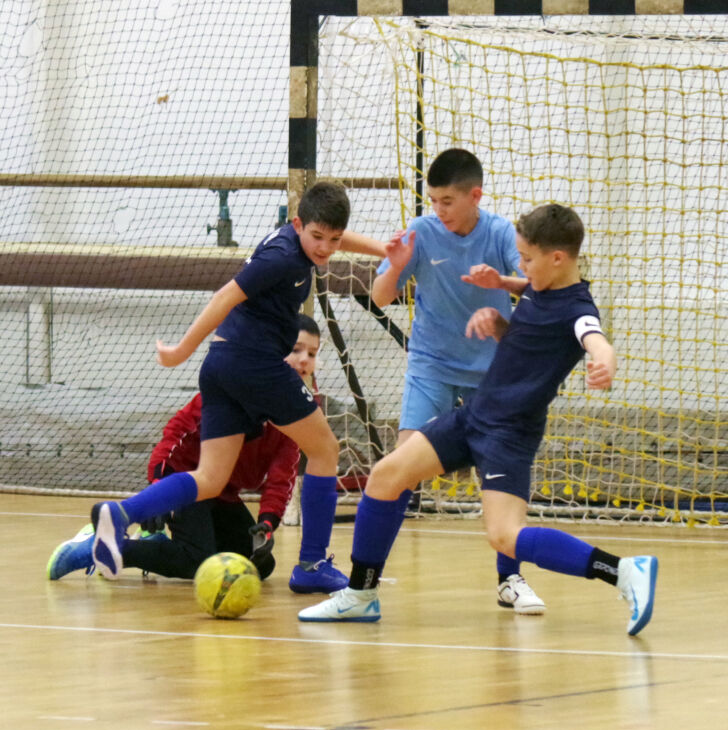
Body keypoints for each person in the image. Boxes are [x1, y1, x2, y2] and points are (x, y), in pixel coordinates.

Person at [298, 204, 658, 636]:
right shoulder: (541, 285)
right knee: (386, 476)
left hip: (509, 435)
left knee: (505, 536)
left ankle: (623, 571)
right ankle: (360, 594)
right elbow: (528, 322)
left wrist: (605, 362)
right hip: (474, 416)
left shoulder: (577, 309)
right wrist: (499, 313)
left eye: (527, 258)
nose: (521, 266)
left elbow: (594, 338)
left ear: (558, 258)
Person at [87, 181, 353, 593]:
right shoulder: (283, 259)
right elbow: (224, 296)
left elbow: (332, 233)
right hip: (254, 363)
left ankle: (121, 513)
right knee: (325, 450)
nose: (326, 248)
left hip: (222, 364)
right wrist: (181, 350)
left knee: (210, 477)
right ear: (299, 224)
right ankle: (312, 564)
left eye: (334, 240)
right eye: (319, 237)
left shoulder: (294, 238)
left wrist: (385, 248)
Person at [370, 148, 545, 612]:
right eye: (433, 200)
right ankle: (366, 579)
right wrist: (396, 264)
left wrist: (500, 284)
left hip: (491, 374)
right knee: (399, 470)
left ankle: (510, 579)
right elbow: (380, 297)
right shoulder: (422, 232)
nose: (438, 210)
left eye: (447, 201)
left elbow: (537, 289)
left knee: (500, 478)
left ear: (475, 196)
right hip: (431, 366)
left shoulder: (501, 233)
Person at [48, 315, 326, 584]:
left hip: (222, 494)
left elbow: (282, 474)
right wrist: (158, 489)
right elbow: (176, 434)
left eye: (312, 353)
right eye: (295, 349)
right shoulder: (235, 384)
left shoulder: (299, 409)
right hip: (186, 482)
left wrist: (267, 522)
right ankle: (99, 546)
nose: (304, 359)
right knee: (195, 560)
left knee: (258, 564)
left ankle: (153, 544)